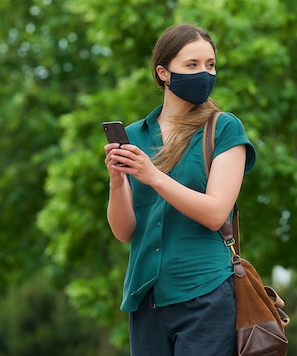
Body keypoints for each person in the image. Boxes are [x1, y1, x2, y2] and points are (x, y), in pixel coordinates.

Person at [104, 23, 256, 355]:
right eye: (192, 65)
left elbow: (216, 213)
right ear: (164, 73)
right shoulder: (135, 135)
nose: (204, 73)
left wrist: (153, 175)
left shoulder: (224, 128)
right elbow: (124, 230)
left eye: (210, 65)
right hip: (147, 299)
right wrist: (117, 181)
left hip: (206, 294)